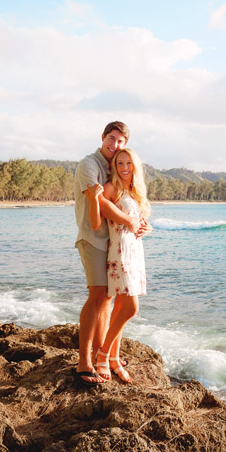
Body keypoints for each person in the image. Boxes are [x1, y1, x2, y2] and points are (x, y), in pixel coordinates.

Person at [73, 121, 146, 385]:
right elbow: (100, 203)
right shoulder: (89, 165)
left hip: (113, 243)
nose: (114, 146)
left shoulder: (113, 166)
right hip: (93, 238)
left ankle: (103, 355)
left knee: (107, 300)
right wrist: (129, 221)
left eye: (120, 142)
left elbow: (128, 204)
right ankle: (85, 362)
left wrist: (139, 222)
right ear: (103, 137)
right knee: (97, 298)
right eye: (111, 139)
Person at [88, 147, 150, 383]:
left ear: (135, 166)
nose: (124, 168)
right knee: (131, 308)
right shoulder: (111, 187)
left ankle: (113, 359)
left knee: (122, 307)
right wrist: (95, 197)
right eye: (120, 163)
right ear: (115, 167)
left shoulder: (134, 191)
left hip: (135, 251)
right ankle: (103, 354)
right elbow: (97, 220)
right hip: (120, 251)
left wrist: (147, 227)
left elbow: (140, 222)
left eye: (128, 163)